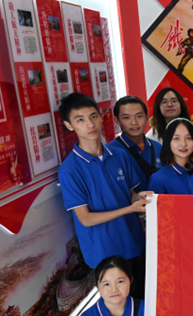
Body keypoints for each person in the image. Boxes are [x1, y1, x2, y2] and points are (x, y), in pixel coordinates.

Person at [57, 93, 150, 299]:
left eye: (93, 116)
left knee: (144, 300)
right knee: (121, 306)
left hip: (134, 241)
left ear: (101, 117)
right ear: (69, 125)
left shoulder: (120, 155)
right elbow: (85, 218)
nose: (90, 124)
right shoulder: (70, 170)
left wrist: (140, 198)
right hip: (104, 253)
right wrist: (130, 209)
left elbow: (131, 194)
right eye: (80, 120)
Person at [148, 118, 193, 195]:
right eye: (176, 138)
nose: (183, 144)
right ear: (168, 142)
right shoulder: (158, 178)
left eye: (188, 138)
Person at [108, 96, 162, 191]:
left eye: (139, 116)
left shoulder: (158, 147)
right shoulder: (110, 151)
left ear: (147, 117)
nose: (134, 122)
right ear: (117, 121)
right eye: (126, 117)